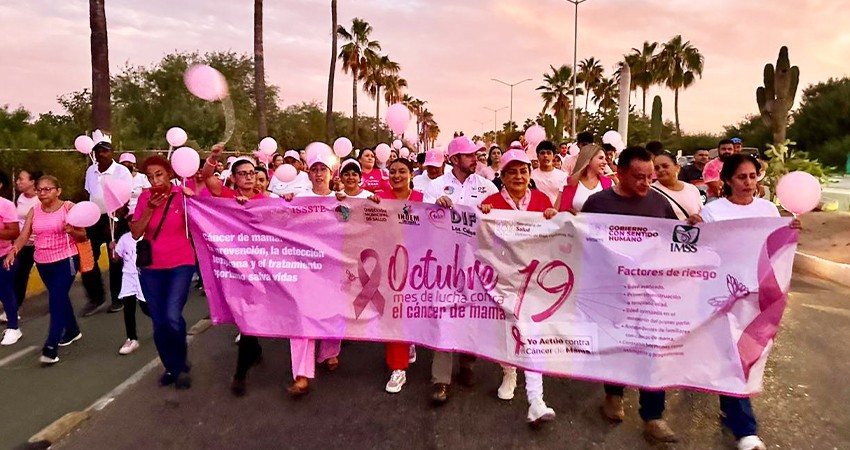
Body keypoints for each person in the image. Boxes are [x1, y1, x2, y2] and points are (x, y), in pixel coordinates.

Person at [687, 153, 800, 450]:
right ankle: (745, 429)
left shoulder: (767, 209)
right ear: (727, 181)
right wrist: (697, 228)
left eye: (753, 176)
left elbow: (774, 248)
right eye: (741, 177)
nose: (748, 183)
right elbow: (703, 251)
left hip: (757, 294)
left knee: (749, 356)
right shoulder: (713, 212)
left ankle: (733, 411)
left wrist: (791, 232)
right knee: (732, 357)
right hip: (722, 296)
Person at [580, 146, 678, 443]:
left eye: (650, 177)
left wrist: (694, 229)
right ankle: (613, 394)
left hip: (651, 294)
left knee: (652, 351)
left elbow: (677, 239)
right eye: (638, 177)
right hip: (611, 293)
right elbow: (582, 243)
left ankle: (654, 415)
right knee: (617, 346)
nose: (646, 183)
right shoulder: (597, 204)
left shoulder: (659, 204)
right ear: (619, 173)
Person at [479, 150, 559, 424]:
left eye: (523, 171)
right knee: (506, 329)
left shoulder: (540, 200)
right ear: (501, 176)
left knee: (531, 332)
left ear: (529, 174)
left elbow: (554, 235)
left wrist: (553, 217)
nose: (518, 176)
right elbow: (481, 239)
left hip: (535, 278)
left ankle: (536, 399)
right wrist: (484, 216)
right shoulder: (490, 202)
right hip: (501, 277)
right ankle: (509, 372)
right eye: (512, 172)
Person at [423, 136, 498, 404]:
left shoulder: (488, 187)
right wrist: (435, 207)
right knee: (445, 314)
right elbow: (423, 223)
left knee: (473, 312)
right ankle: (441, 380)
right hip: (445, 263)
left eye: (475, 154)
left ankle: (468, 362)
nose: (474, 158)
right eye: (468, 155)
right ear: (454, 160)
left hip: (477, 261)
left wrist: (492, 209)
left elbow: (497, 223)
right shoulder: (435, 187)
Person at [4, 176, 87, 363]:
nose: (43, 193)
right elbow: (24, 235)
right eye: (40, 189)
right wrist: (14, 251)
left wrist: (72, 231)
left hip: (66, 259)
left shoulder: (69, 208)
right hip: (43, 261)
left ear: (58, 191)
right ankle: (72, 330)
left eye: (47, 189)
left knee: (56, 299)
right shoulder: (35, 211)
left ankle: (51, 346)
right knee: (60, 296)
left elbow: (82, 236)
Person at [130, 156, 196, 389]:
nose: (154, 180)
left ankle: (180, 363)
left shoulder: (183, 195)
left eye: (159, 174)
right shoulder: (145, 198)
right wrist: (149, 209)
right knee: (159, 322)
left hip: (181, 262)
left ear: (169, 173)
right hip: (151, 267)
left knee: (171, 315)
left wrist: (194, 200)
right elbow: (136, 232)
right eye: (150, 176)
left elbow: (204, 217)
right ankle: (172, 366)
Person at [283, 153, 343, 395]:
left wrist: (349, 205)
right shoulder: (298, 199)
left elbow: (354, 223)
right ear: (308, 173)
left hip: (333, 267)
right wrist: (284, 203)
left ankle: (330, 351)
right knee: (301, 317)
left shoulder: (340, 199)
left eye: (323, 170)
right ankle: (301, 374)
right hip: (304, 267)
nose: (319, 174)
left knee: (331, 311)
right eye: (315, 169)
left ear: (331, 173)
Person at [374, 158, 423, 393]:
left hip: (419, 267)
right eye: (392, 171)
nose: (396, 175)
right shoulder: (378, 197)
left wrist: (444, 204)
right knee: (393, 313)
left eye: (402, 171)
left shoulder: (423, 200)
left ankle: (409, 340)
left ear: (411, 174)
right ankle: (398, 368)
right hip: (388, 264)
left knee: (411, 312)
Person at [81, 141, 133, 316]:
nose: (101, 154)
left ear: (112, 153)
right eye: (98, 151)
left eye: (105, 151)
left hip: (115, 217)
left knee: (115, 259)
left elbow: (124, 199)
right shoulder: (90, 171)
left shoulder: (121, 171)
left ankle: (118, 298)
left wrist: (115, 220)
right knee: (88, 258)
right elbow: (89, 193)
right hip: (94, 217)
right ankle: (96, 297)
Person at [8, 169, 41, 322]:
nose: (18, 182)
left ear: (32, 182)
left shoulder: (41, 198)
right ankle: (13, 309)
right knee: (19, 276)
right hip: (23, 244)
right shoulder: (20, 198)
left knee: (49, 276)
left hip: (41, 244)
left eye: (21, 179)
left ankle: (59, 303)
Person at [112, 229, 149, 355]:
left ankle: (164, 322)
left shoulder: (148, 236)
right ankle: (131, 338)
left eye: (134, 220)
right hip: (128, 276)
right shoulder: (125, 238)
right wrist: (113, 249)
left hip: (143, 276)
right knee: (128, 307)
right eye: (129, 220)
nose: (132, 223)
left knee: (146, 307)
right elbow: (115, 259)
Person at [556, 144, 614, 214]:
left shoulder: (609, 183)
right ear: (588, 160)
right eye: (601, 158)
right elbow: (556, 211)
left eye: (605, 159)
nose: (605, 162)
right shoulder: (569, 182)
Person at [0, 171, 22, 345]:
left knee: (5, 291)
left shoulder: (5, 205)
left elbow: (14, 232)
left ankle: (14, 328)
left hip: (3, 255)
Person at [651, 152, 703, 220]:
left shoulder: (692, 189)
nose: (661, 170)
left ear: (677, 168)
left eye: (665, 166)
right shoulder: (651, 191)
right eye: (657, 168)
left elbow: (701, 214)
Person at [531, 140, 568, 205]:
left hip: (557, 213)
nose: (545, 156)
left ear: (553, 156)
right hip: (536, 213)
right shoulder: (531, 176)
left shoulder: (563, 176)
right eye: (542, 153)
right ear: (537, 156)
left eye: (548, 153)